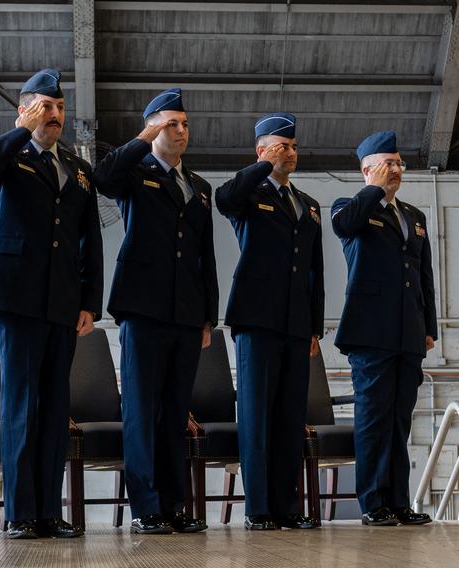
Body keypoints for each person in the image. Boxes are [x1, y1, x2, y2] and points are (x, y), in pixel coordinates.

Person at [0, 68, 103, 539]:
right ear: (24, 110)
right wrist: (24, 127)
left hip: (62, 303)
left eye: (60, 107)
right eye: (45, 106)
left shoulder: (79, 170)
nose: (55, 115)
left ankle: (48, 510)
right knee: (22, 404)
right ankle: (21, 513)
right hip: (17, 298)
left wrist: (90, 300)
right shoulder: (7, 154)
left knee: (53, 407)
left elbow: (90, 241)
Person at [92, 88, 215, 534]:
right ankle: (147, 507)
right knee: (142, 411)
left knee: (175, 409)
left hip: (185, 312)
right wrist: (143, 137)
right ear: (153, 127)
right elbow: (103, 178)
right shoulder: (136, 171)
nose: (180, 131)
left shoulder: (198, 187)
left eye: (184, 124)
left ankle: (173, 504)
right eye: (170, 124)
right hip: (143, 307)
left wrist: (208, 316)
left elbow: (206, 256)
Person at [215, 113, 324, 530]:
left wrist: (314, 325)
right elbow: (225, 199)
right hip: (257, 318)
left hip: (296, 324)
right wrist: (263, 165)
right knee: (258, 415)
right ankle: (259, 508)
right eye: (281, 147)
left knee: (289, 416)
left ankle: (287, 506)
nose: (290, 153)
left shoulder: (308, 205)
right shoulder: (250, 193)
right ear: (261, 150)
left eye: (293, 147)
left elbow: (314, 271)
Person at [331, 130, 435, 527]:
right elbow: (346, 227)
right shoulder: (351, 206)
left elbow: (423, 275)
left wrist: (428, 327)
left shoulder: (414, 216)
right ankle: (373, 502)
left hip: (408, 333)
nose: (395, 170)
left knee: (400, 421)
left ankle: (399, 501)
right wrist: (374, 190)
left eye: (398, 163)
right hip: (370, 333)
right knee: (374, 420)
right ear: (367, 170)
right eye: (387, 164)